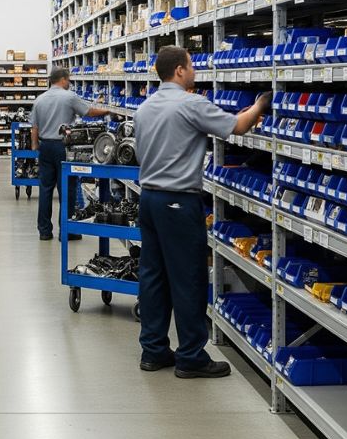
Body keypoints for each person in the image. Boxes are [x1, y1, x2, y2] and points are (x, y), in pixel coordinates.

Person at [133, 45, 271, 378]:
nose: (194, 70)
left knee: (153, 276)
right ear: (179, 70)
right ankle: (191, 356)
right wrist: (260, 105)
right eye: (191, 65)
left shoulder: (144, 107)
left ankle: (153, 351)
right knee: (188, 278)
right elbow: (238, 127)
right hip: (178, 201)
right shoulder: (191, 103)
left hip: (149, 198)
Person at [30, 67, 111, 241]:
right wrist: (107, 111)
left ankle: (44, 231)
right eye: (69, 79)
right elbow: (88, 112)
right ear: (63, 79)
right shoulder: (69, 97)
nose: (70, 83)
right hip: (64, 148)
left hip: (45, 146)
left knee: (45, 189)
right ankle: (67, 230)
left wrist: (36, 145)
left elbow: (34, 128)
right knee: (67, 188)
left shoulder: (39, 100)